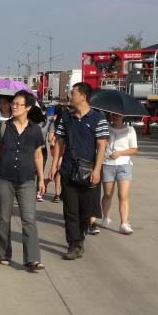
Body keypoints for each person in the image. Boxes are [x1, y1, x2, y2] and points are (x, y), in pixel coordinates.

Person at [0, 90, 46, 271]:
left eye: (18, 104)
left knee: (29, 218)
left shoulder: (35, 129)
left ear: (28, 107)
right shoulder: (4, 127)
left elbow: (38, 156)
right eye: (13, 103)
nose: (14, 106)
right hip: (4, 178)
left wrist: (41, 179)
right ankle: (3, 253)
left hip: (27, 180)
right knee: (4, 217)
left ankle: (32, 259)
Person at [49, 82, 110, 260]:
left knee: (86, 211)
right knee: (70, 211)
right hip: (68, 170)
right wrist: (54, 165)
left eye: (73, 93)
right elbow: (59, 142)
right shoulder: (66, 118)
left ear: (83, 97)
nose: (70, 96)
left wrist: (97, 170)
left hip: (89, 172)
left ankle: (80, 237)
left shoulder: (98, 118)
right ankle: (74, 244)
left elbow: (102, 146)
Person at [100, 112, 138, 234]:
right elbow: (99, 144)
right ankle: (106, 217)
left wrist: (120, 153)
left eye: (117, 115)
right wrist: (104, 142)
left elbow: (134, 149)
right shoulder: (105, 127)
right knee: (107, 194)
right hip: (107, 164)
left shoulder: (130, 130)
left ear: (123, 116)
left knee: (123, 195)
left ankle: (124, 223)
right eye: (112, 115)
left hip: (124, 165)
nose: (114, 116)